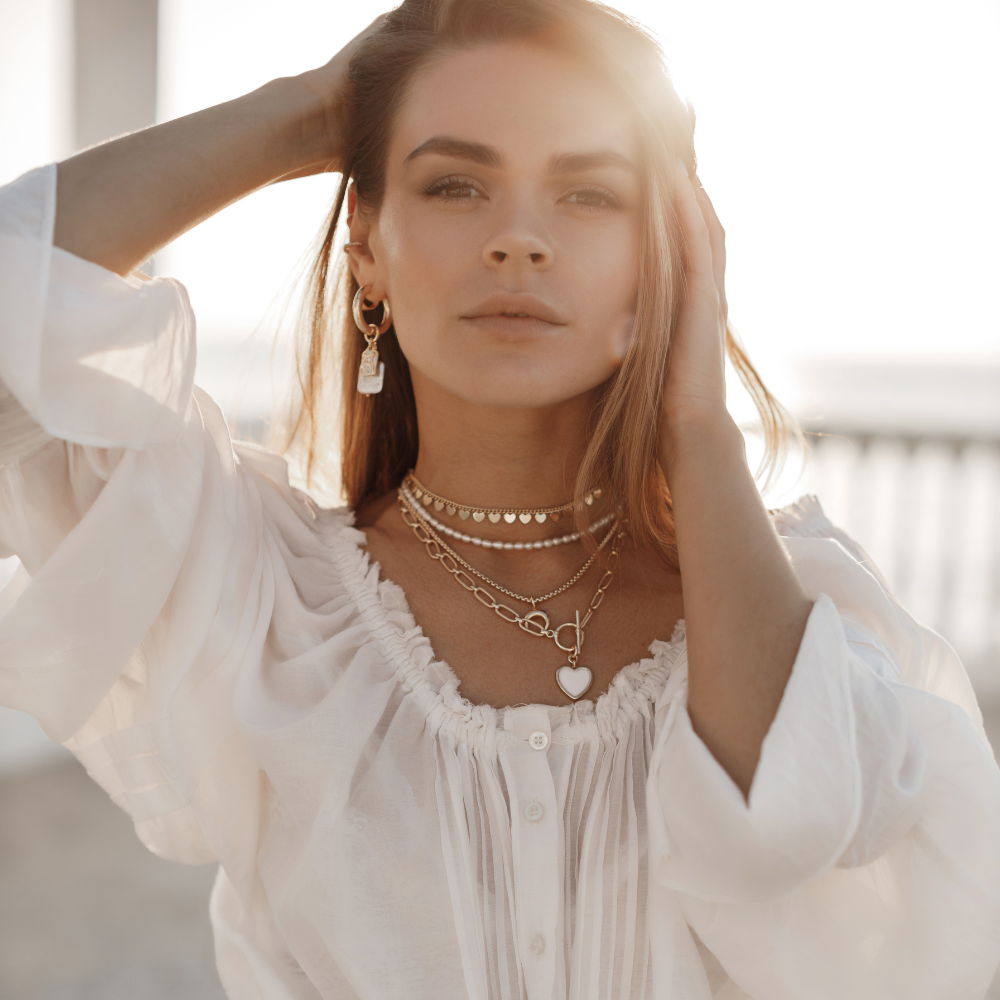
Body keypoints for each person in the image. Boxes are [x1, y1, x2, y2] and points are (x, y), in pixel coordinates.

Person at [1, 0, 998, 996]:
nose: (518, 239)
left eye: (588, 196)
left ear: (664, 255)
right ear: (368, 249)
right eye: (454, 183)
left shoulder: (790, 605)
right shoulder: (263, 597)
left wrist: (698, 425)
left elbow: (783, 824)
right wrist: (309, 112)